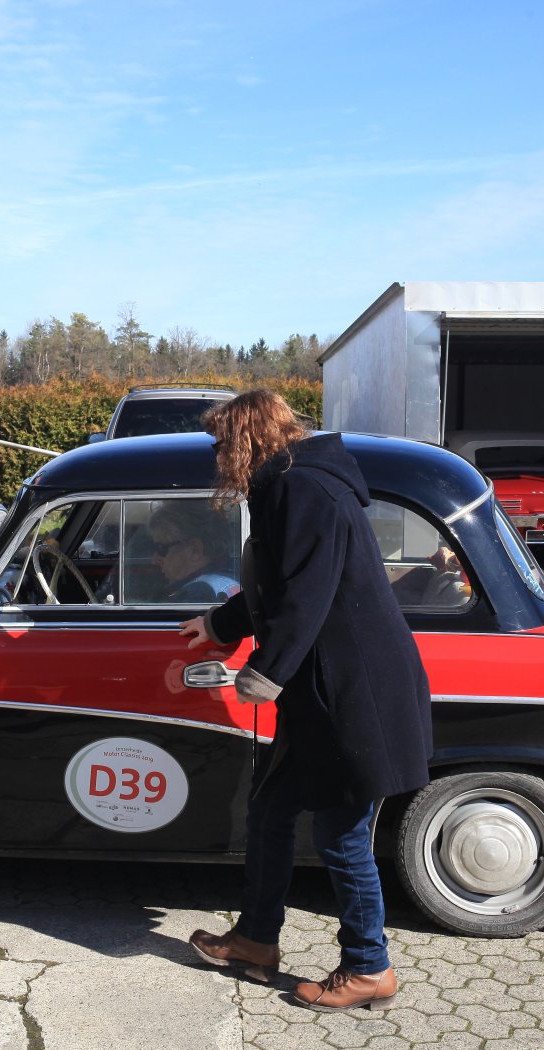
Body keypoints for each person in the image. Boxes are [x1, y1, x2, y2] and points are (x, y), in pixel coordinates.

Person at [182, 389, 433, 1013]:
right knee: (270, 811)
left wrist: (262, 674)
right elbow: (279, 585)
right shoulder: (292, 483)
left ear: (247, 438)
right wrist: (218, 624)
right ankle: (255, 939)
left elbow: (306, 596)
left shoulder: (302, 488)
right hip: (324, 691)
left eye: (222, 443)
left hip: (352, 694)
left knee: (342, 836)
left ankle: (369, 967)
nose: (218, 456)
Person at [146, 501, 239, 603]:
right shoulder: (230, 580)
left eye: (161, 548)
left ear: (195, 550)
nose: (154, 560)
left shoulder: (198, 593)